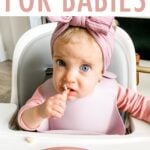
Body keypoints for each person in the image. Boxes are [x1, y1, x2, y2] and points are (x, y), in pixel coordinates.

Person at [17, 16, 150, 135]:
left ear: (101, 72)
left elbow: (140, 106)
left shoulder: (112, 90)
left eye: (85, 67)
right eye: (61, 63)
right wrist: (40, 112)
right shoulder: (45, 92)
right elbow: (23, 121)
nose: (69, 77)